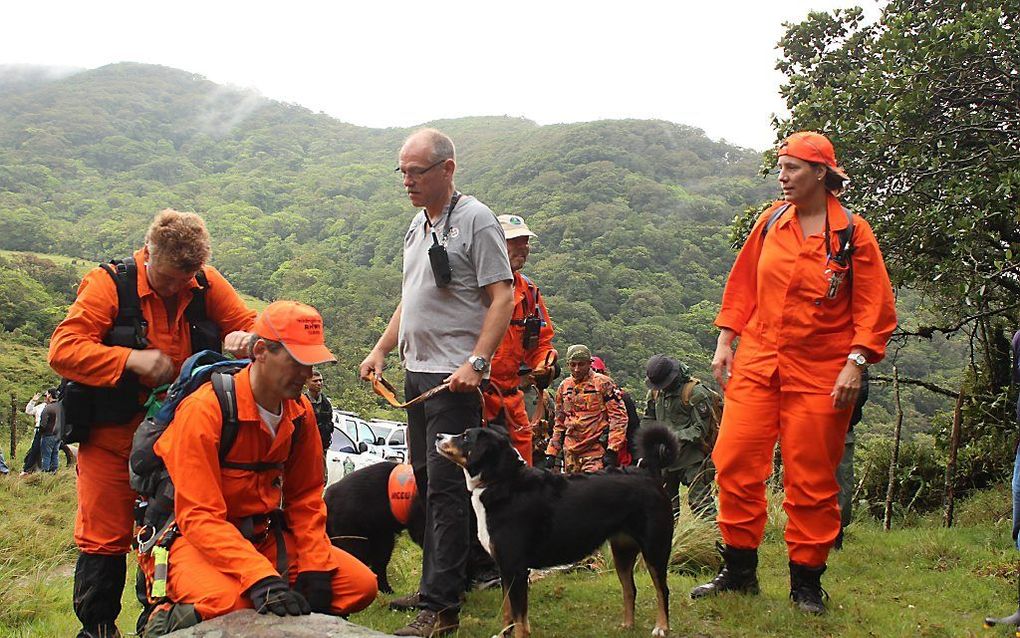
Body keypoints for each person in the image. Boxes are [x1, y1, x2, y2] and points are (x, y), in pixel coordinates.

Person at [691, 131, 897, 615]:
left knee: (812, 479)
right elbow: (743, 283)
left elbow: (876, 308)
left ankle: (806, 582)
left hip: (823, 372)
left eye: (792, 168)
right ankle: (738, 571)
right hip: (759, 361)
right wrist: (726, 340)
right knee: (735, 462)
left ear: (821, 173)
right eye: (780, 167)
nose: (781, 177)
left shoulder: (852, 234)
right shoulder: (770, 222)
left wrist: (856, 363)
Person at [48, 209, 256, 638]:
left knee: (170, 534)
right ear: (149, 254)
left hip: (177, 443)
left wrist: (249, 338)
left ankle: (159, 624)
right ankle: (99, 628)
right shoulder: (108, 283)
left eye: (188, 277)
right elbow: (63, 349)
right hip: (111, 438)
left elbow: (250, 323)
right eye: (170, 278)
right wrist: (129, 359)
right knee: (102, 538)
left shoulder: (204, 281)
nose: (179, 287)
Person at [141, 301, 377, 635]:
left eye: (312, 364)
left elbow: (306, 498)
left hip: (263, 536)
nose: (308, 375)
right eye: (297, 362)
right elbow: (199, 517)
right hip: (193, 541)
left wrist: (314, 565)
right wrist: (260, 577)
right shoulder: (204, 411)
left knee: (359, 585)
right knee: (235, 605)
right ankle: (166, 617)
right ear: (262, 351)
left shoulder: (300, 412)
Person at [359, 128, 513, 637]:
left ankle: (442, 609)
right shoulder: (417, 224)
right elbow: (412, 298)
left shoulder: (476, 220)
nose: (407, 181)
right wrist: (382, 348)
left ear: (447, 169)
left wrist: (479, 361)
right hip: (416, 374)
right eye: (402, 171)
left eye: (417, 171)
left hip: (454, 380)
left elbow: (502, 298)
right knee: (427, 484)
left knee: (447, 491)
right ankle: (454, 578)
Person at [482, 213, 557, 466]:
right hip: (476, 395)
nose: (523, 247)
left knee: (521, 470)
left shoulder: (530, 293)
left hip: (513, 396)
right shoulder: (474, 287)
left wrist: (544, 364)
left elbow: (542, 343)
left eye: (525, 241)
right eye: (514, 241)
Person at [643, 354, 718, 519]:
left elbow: (700, 429)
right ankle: (671, 543)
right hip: (665, 460)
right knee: (665, 507)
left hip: (692, 459)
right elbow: (649, 418)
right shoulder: (655, 393)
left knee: (701, 504)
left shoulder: (695, 393)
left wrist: (671, 438)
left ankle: (716, 541)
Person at [546, 345, 628, 473]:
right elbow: (559, 422)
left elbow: (619, 418)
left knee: (591, 490)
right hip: (570, 452)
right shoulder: (564, 386)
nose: (577, 369)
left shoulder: (603, 383)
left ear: (589, 363)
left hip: (595, 451)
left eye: (581, 364)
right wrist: (552, 451)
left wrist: (613, 449)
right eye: (572, 365)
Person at [834, 367, 869, 550]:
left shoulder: (856, 361)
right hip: (809, 427)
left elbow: (861, 391)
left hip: (843, 430)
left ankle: (836, 537)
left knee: (842, 489)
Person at [589, 355, 636, 466]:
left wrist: (636, 458)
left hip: (617, 456)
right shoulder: (576, 398)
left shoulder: (621, 398)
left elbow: (633, 429)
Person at [20, 388, 56, 475]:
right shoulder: (41, 406)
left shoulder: (55, 406)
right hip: (39, 429)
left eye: (46, 395)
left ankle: (47, 471)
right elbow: (28, 411)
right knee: (35, 449)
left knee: (48, 452)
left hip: (50, 431)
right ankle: (28, 469)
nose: (45, 397)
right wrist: (33, 401)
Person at [305, 369, 334, 452]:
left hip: (322, 447)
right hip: (305, 447)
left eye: (320, 380)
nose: (319, 383)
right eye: (315, 381)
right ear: (307, 383)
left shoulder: (326, 403)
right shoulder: (302, 402)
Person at [38, 397, 62, 473]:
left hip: (48, 434)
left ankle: (45, 473)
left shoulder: (48, 408)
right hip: (58, 434)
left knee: (46, 455)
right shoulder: (61, 407)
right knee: (55, 453)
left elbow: (43, 423)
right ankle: (54, 471)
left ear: (50, 395)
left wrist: (41, 432)